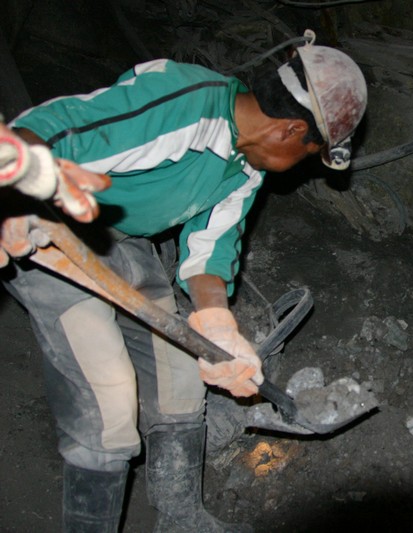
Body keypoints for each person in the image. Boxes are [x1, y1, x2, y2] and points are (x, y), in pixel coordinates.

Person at [0, 33, 367, 532]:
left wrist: (217, 325)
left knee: (179, 385)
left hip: (125, 246)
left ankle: (181, 518)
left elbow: (209, 251)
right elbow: (58, 127)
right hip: (50, 233)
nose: (300, 168)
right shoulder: (184, 104)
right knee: (108, 405)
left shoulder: (245, 170)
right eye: (309, 155)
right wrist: (17, 183)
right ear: (290, 130)